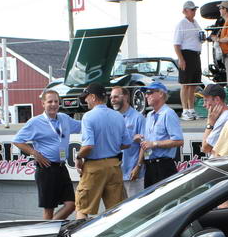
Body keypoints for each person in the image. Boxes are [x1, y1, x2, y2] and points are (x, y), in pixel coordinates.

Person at [12, 89, 80, 220]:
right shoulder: (35, 122)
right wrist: (34, 152)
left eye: (56, 101)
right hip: (46, 169)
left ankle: (49, 228)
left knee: (71, 205)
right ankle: (47, 233)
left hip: (61, 167)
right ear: (43, 103)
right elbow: (17, 140)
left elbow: (84, 125)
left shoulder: (65, 119)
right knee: (49, 209)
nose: (53, 104)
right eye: (50, 101)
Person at [74, 83, 131, 219]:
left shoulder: (88, 116)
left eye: (86, 97)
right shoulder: (118, 116)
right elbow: (127, 143)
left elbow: (88, 146)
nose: (85, 101)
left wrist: (78, 156)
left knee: (82, 208)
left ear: (93, 97)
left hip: (94, 167)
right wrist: (111, 145)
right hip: (114, 166)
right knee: (116, 210)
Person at [136, 81, 183, 188]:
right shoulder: (149, 115)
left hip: (163, 166)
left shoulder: (168, 113)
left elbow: (179, 141)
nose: (146, 95)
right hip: (150, 165)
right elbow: (147, 143)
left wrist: (154, 143)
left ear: (161, 94)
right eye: (146, 93)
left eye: (149, 92)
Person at [110, 85, 146, 197]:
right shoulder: (111, 118)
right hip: (115, 174)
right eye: (111, 97)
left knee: (136, 208)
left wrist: (138, 167)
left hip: (133, 173)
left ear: (125, 97)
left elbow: (144, 146)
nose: (112, 100)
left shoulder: (138, 118)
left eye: (116, 97)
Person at [174, 0, 205, 121]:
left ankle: (191, 109)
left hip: (196, 54)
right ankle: (185, 110)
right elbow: (176, 44)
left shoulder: (195, 23)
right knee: (185, 84)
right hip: (186, 54)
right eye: (192, 10)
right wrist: (181, 59)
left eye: (194, 9)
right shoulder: (181, 24)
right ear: (185, 11)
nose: (194, 12)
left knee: (193, 85)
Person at [201, 83, 228, 155]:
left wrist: (210, 124)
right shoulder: (226, 115)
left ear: (217, 99)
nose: (204, 105)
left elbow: (205, 148)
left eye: (206, 100)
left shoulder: (225, 118)